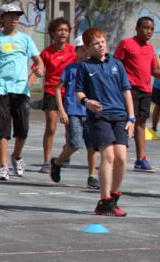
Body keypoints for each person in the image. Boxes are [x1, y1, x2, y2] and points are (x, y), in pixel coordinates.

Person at [0, 3, 44, 179]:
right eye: (10, 15)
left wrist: (40, 69)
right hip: (1, 89)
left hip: (21, 89)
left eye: (17, 16)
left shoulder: (25, 39)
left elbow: (39, 60)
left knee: (23, 128)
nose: (15, 19)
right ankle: (3, 166)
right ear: (2, 18)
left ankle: (16, 157)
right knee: (2, 127)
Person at [76, 27, 136, 217]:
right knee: (108, 157)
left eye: (102, 41)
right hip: (99, 117)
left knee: (122, 159)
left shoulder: (117, 64)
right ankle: (104, 200)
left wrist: (131, 118)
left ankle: (114, 197)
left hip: (120, 117)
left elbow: (126, 91)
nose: (101, 45)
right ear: (87, 47)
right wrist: (87, 102)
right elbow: (79, 92)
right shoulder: (85, 67)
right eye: (96, 43)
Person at [114, 17, 160, 172]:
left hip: (146, 91)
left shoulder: (149, 48)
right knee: (126, 123)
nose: (149, 32)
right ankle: (118, 157)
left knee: (141, 124)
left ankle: (140, 160)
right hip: (129, 90)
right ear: (137, 28)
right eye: (146, 28)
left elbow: (153, 70)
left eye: (152, 29)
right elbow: (115, 66)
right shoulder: (126, 44)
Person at [30, 17, 76, 174]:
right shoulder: (46, 53)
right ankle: (46, 161)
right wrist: (27, 88)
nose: (63, 33)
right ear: (52, 33)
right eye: (60, 30)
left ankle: (66, 151)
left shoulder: (73, 51)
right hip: (51, 92)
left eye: (66, 30)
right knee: (51, 127)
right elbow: (37, 70)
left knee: (70, 128)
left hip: (68, 94)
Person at [51, 35, 98, 188]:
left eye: (88, 49)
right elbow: (58, 89)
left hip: (90, 112)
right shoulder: (70, 68)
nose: (86, 53)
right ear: (76, 50)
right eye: (83, 50)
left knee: (92, 146)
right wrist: (61, 110)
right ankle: (57, 163)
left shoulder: (93, 68)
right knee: (75, 144)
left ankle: (92, 176)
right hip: (73, 112)